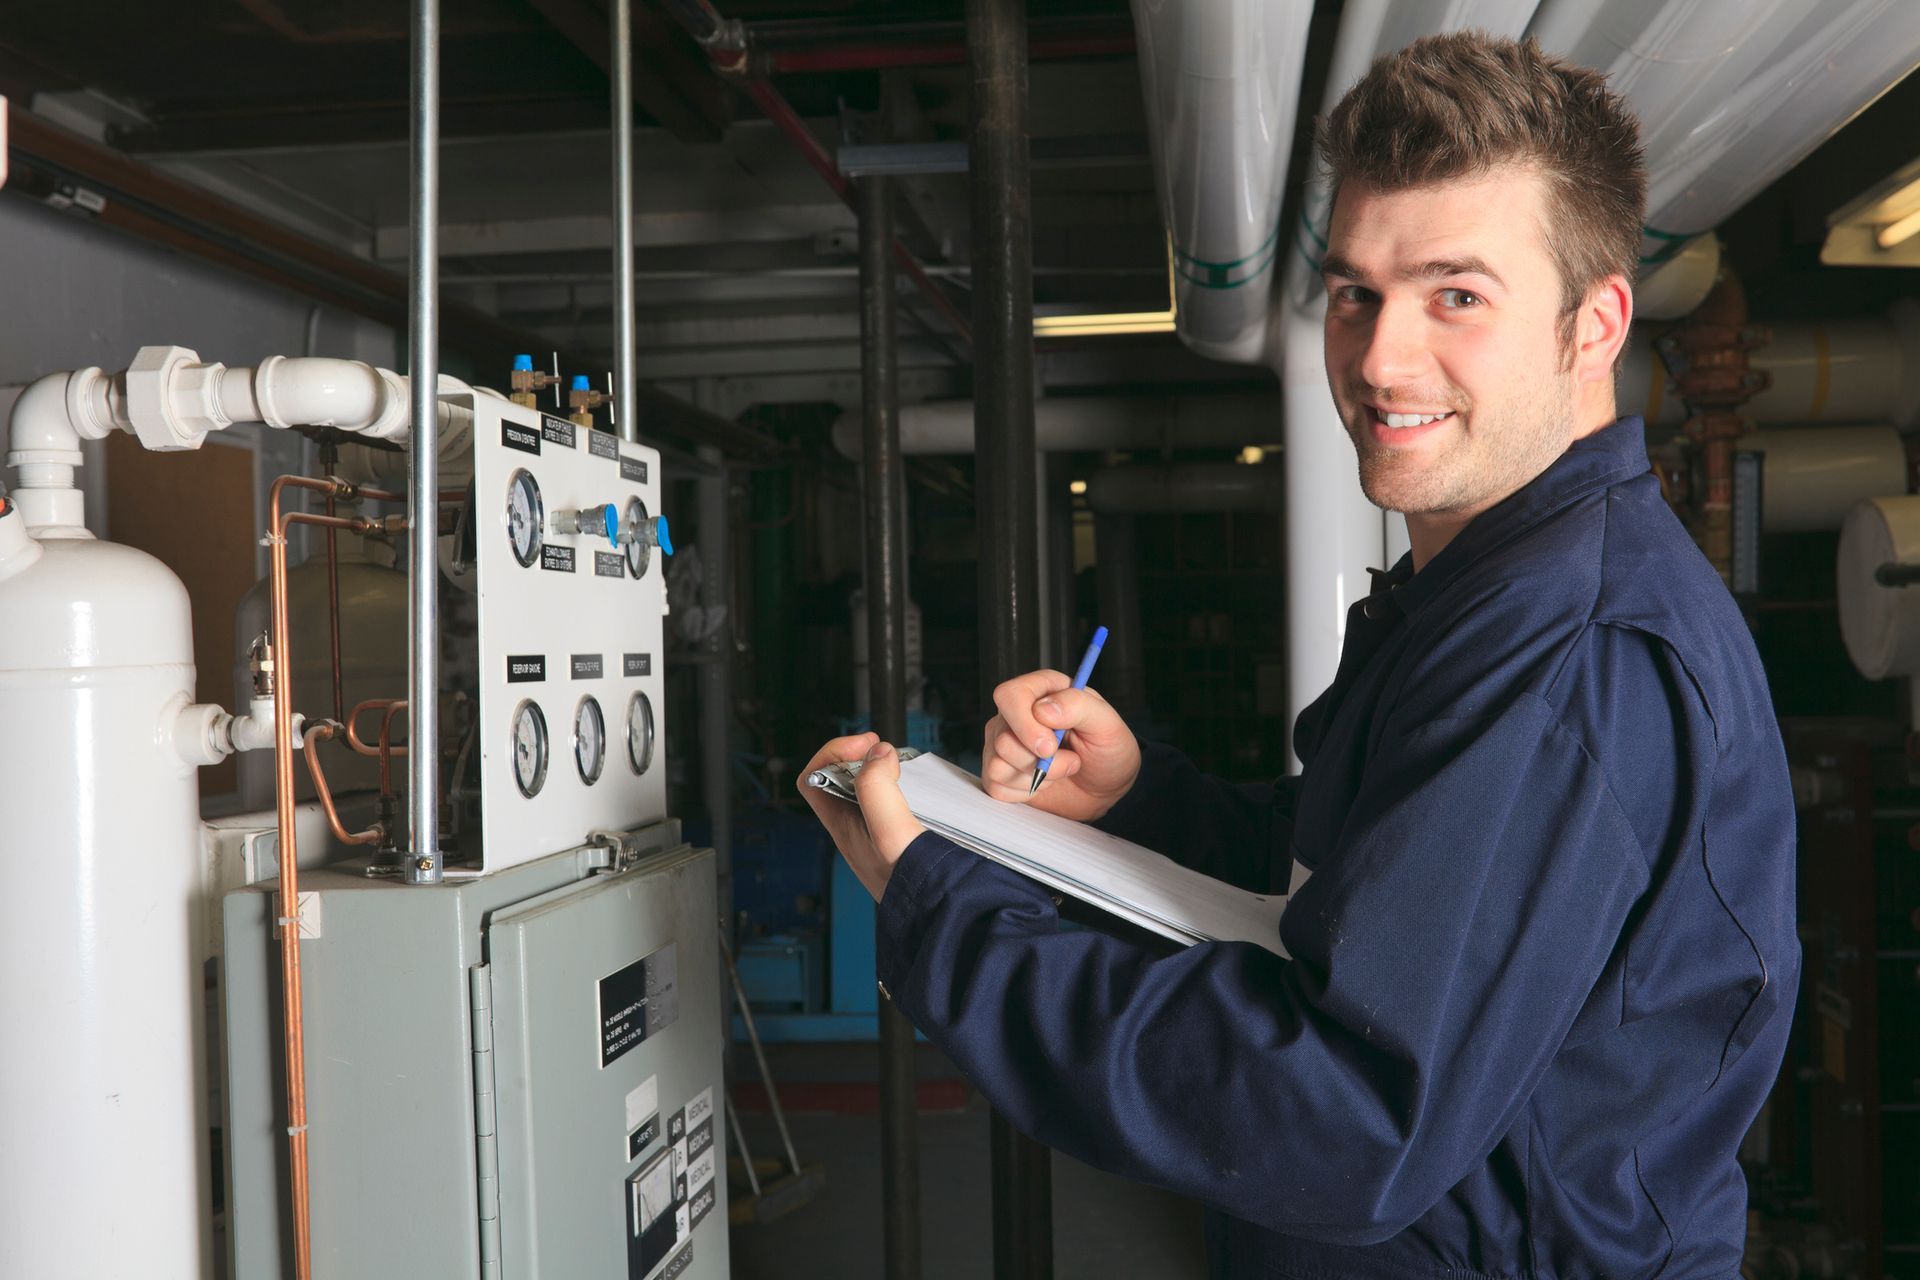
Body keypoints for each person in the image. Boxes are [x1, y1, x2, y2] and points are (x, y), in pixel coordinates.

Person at [800, 31, 1797, 1279]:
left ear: (1592, 325)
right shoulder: (1487, 588)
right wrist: (1139, 803)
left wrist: (943, 907)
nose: (1380, 358)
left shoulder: (1570, 652)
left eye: (1457, 295)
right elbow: (1374, 890)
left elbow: (1343, 1116)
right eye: (1354, 292)